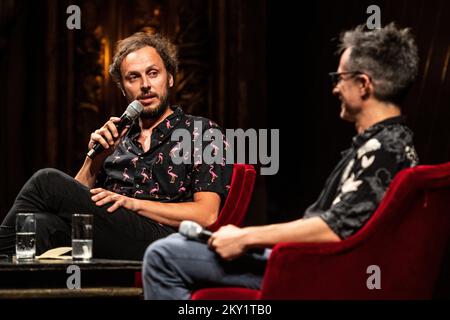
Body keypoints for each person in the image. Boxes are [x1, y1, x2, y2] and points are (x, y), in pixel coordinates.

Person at [142, 23, 420, 299]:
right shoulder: (390, 142)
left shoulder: (385, 149)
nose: (335, 88)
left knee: (163, 255)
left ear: (363, 84)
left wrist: (246, 237)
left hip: (321, 269)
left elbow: (333, 228)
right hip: (316, 261)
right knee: (179, 245)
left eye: (340, 77)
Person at [0, 32, 232, 260]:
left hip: (168, 240)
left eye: (153, 73)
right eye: (133, 77)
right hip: (113, 235)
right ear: (123, 88)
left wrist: (132, 204)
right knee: (37, 226)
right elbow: (68, 206)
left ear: (169, 78)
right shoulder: (117, 137)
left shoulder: (201, 131)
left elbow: (207, 215)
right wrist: (95, 159)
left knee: (45, 180)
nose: (145, 85)